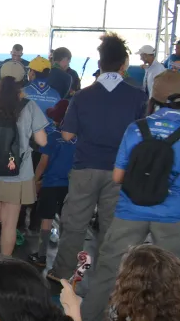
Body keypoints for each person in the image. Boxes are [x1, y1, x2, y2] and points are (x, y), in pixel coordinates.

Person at [74, 71, 180, 321]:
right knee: (176, 277)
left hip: (130, 210)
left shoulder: (137, 128)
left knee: (109, 269)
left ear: (154, 97)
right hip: (173, 215)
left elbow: (118, 176)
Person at [50, 33, 146, 281]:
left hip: (85, 168)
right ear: (124, 64)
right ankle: (109, 278)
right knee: (112, 227)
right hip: (120, 170)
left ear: (100, 64)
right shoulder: (138, 96)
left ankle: (61, 274)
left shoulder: (83, 95)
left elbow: (69, 134)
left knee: (74, 225)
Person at [0, 77, 49, 261]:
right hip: (19, 173)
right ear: (20, 88)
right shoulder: (29, 106)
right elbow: (42, 141)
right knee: (9, 224)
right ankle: (4, 265)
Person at [27, 100, 74, 268]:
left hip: (50, 184)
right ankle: (65, 260)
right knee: (67, 221)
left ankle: (41, 255)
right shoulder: (79, 139)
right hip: (71, 185)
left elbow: (43, 162)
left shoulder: (52, 137)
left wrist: (34, 180)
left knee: (46, 219)